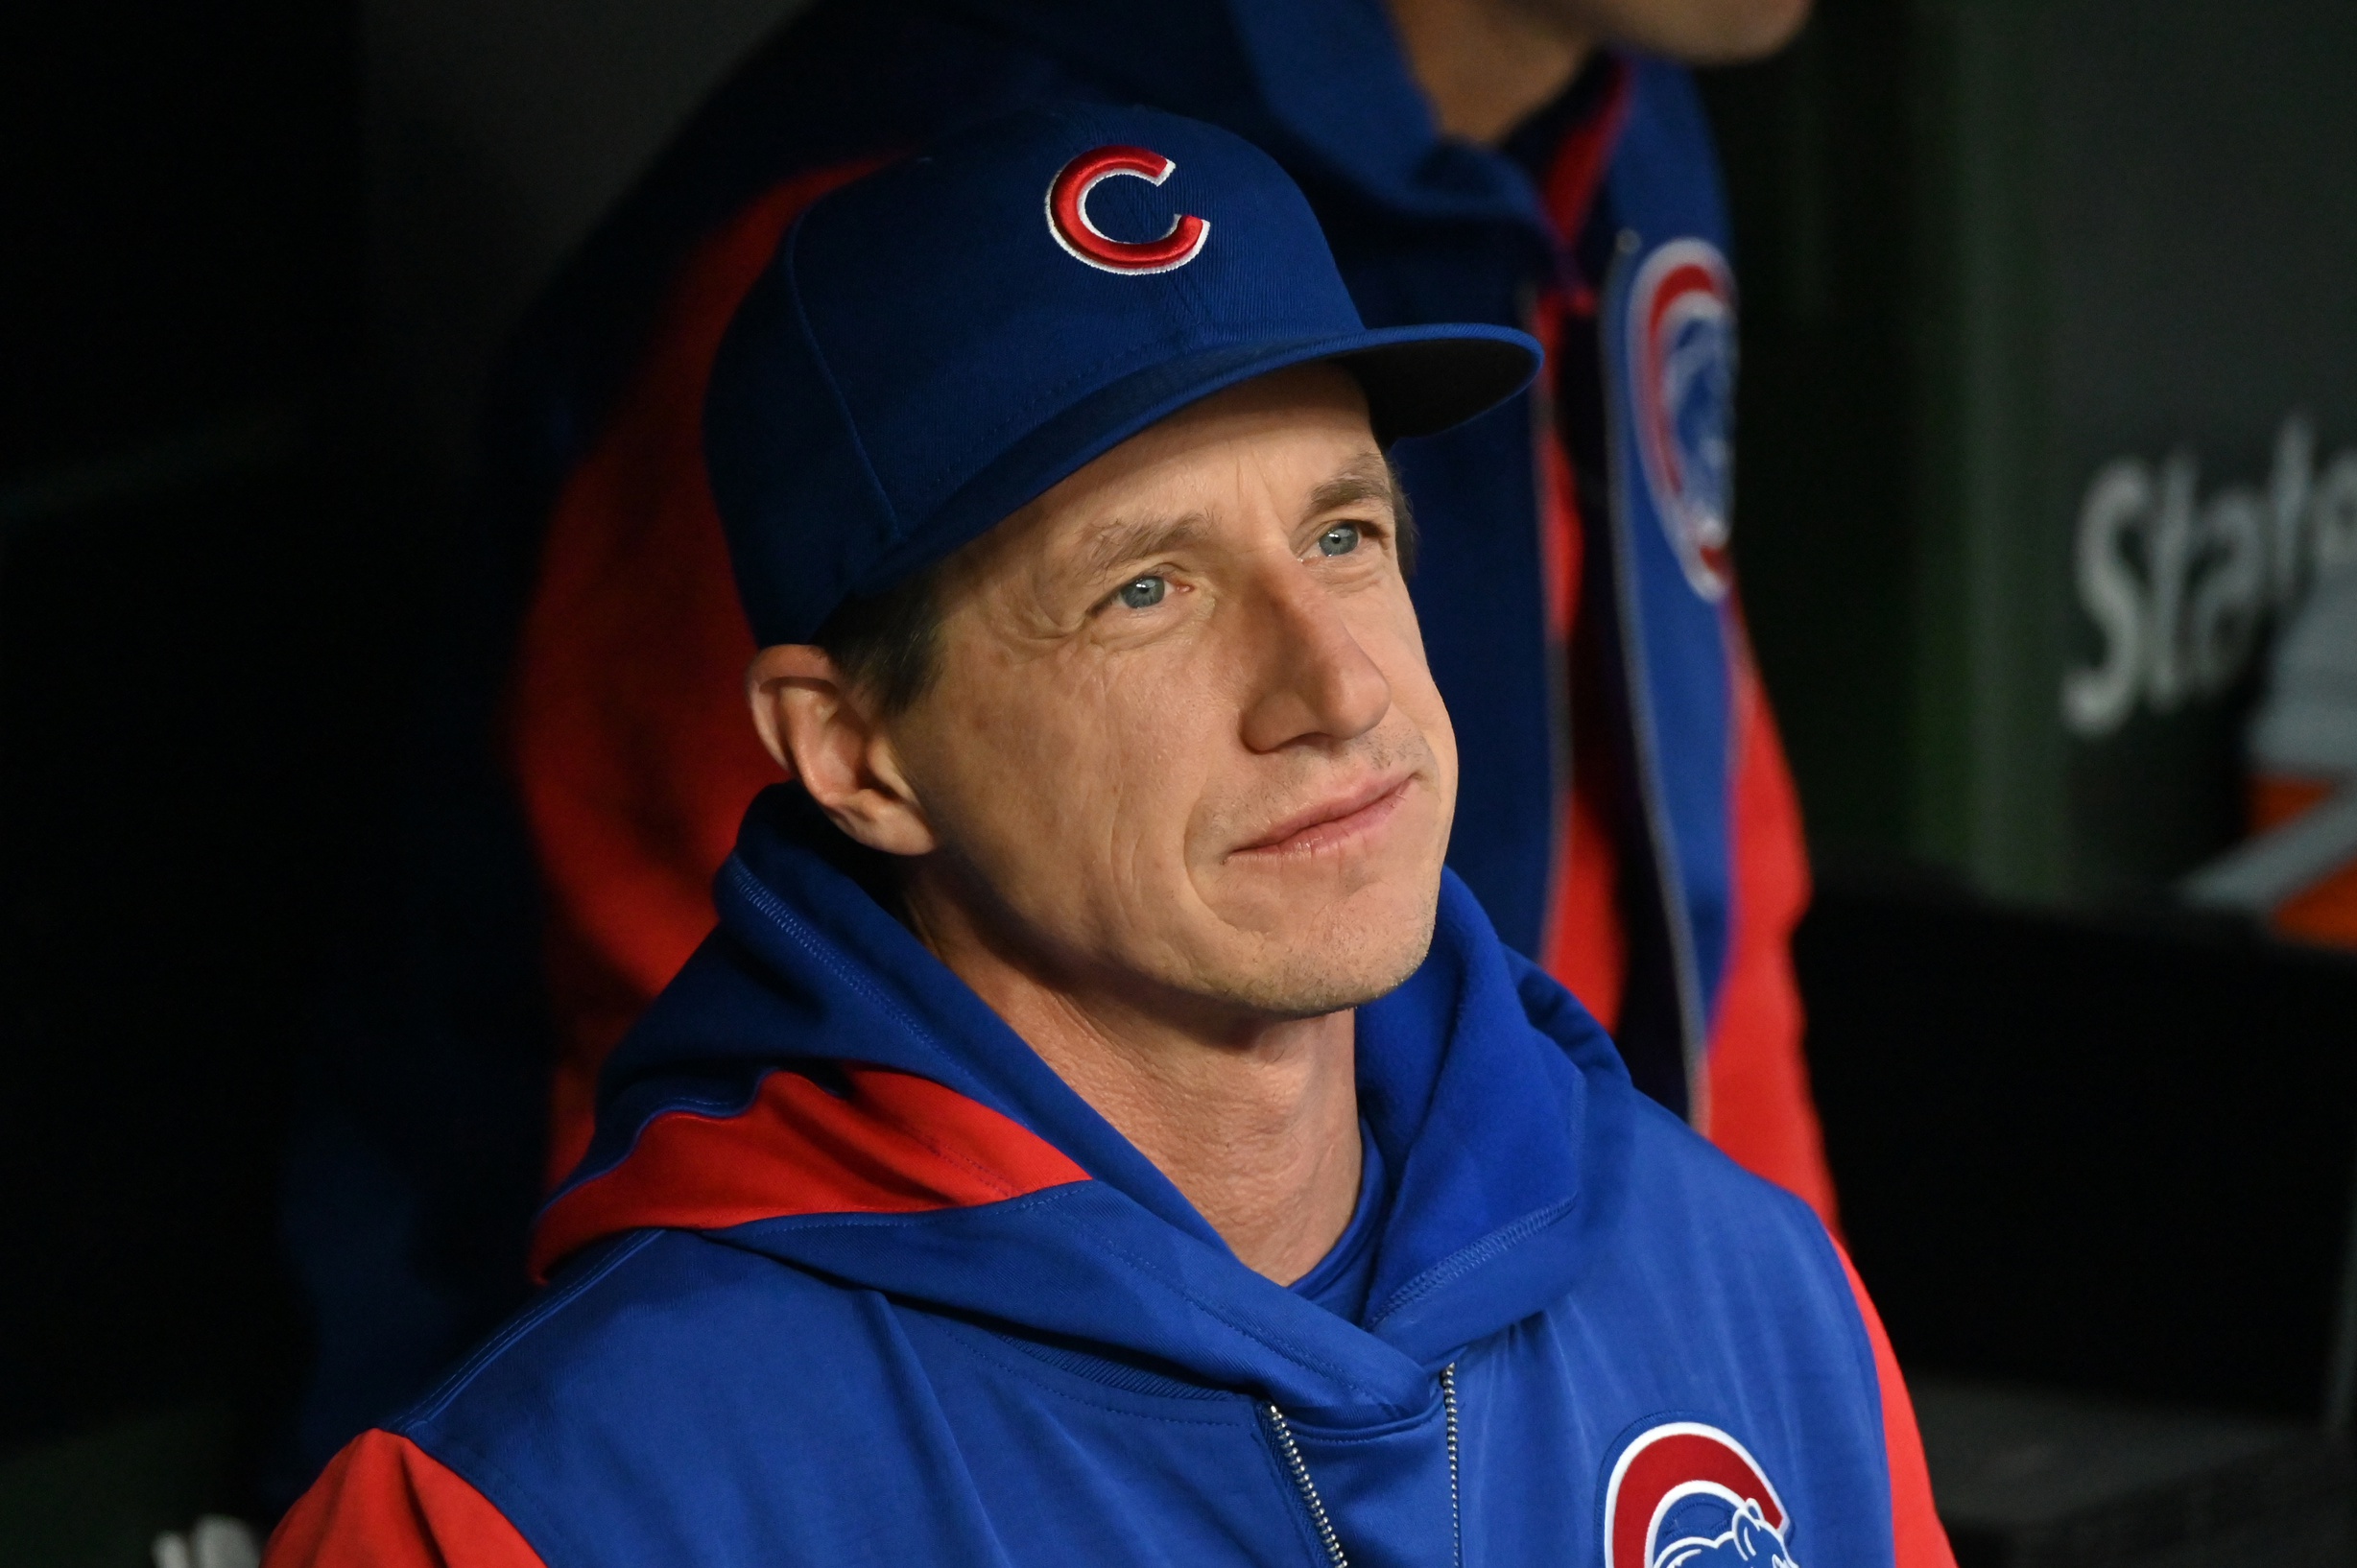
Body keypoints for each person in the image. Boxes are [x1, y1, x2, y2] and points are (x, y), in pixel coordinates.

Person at [270, 106, 1947, 1568]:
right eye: (1147, 589)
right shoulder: (549, 1516)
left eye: (1345, 531)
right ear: (855, 754)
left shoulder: (1739, 1291)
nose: (1335, 687)